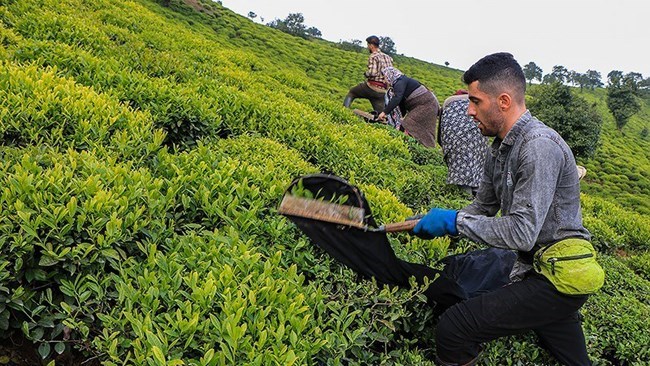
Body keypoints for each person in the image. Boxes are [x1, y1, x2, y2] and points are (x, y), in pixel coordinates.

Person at [412, 53, 594, 365]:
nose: (469, 111)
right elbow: (482, 207)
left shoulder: (538, 146)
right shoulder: (498, 149)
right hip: (536, 268)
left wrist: (454, 222)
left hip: (557, 276)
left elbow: (522, 232)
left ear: (504, 101)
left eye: (475, 101)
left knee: (455, 327)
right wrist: (430, 221)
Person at [439, 90, 489, 196]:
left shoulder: (449, 102)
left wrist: (443, 145)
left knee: (461, 171)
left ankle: (465, 198)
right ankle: (476, 196)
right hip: (479, 138)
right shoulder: (476, 101)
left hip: (455, 138)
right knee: (476, 168)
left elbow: (441, 129)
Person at [377, 67, 440, 148]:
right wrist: (400, 116)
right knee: (417, 127)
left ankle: (409, 147)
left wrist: (385, 112)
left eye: (384, 78)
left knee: (408, 124)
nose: (384, 81)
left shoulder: (400, 81)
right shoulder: (399, 82)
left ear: (389, 75)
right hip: (424, 105)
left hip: (426, 105)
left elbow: (397, 98)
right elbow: (401, 104)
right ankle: (420, 148)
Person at [343, 35, 393, 113]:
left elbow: (372, 73)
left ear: (371, 45)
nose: (367, 47)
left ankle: (344, 111)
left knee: (352, 92)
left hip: (371, 87)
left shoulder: (373, 56)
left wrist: (366, 74)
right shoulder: (388, 58)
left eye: (368, 45)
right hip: (382, 91)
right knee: (381, 114)